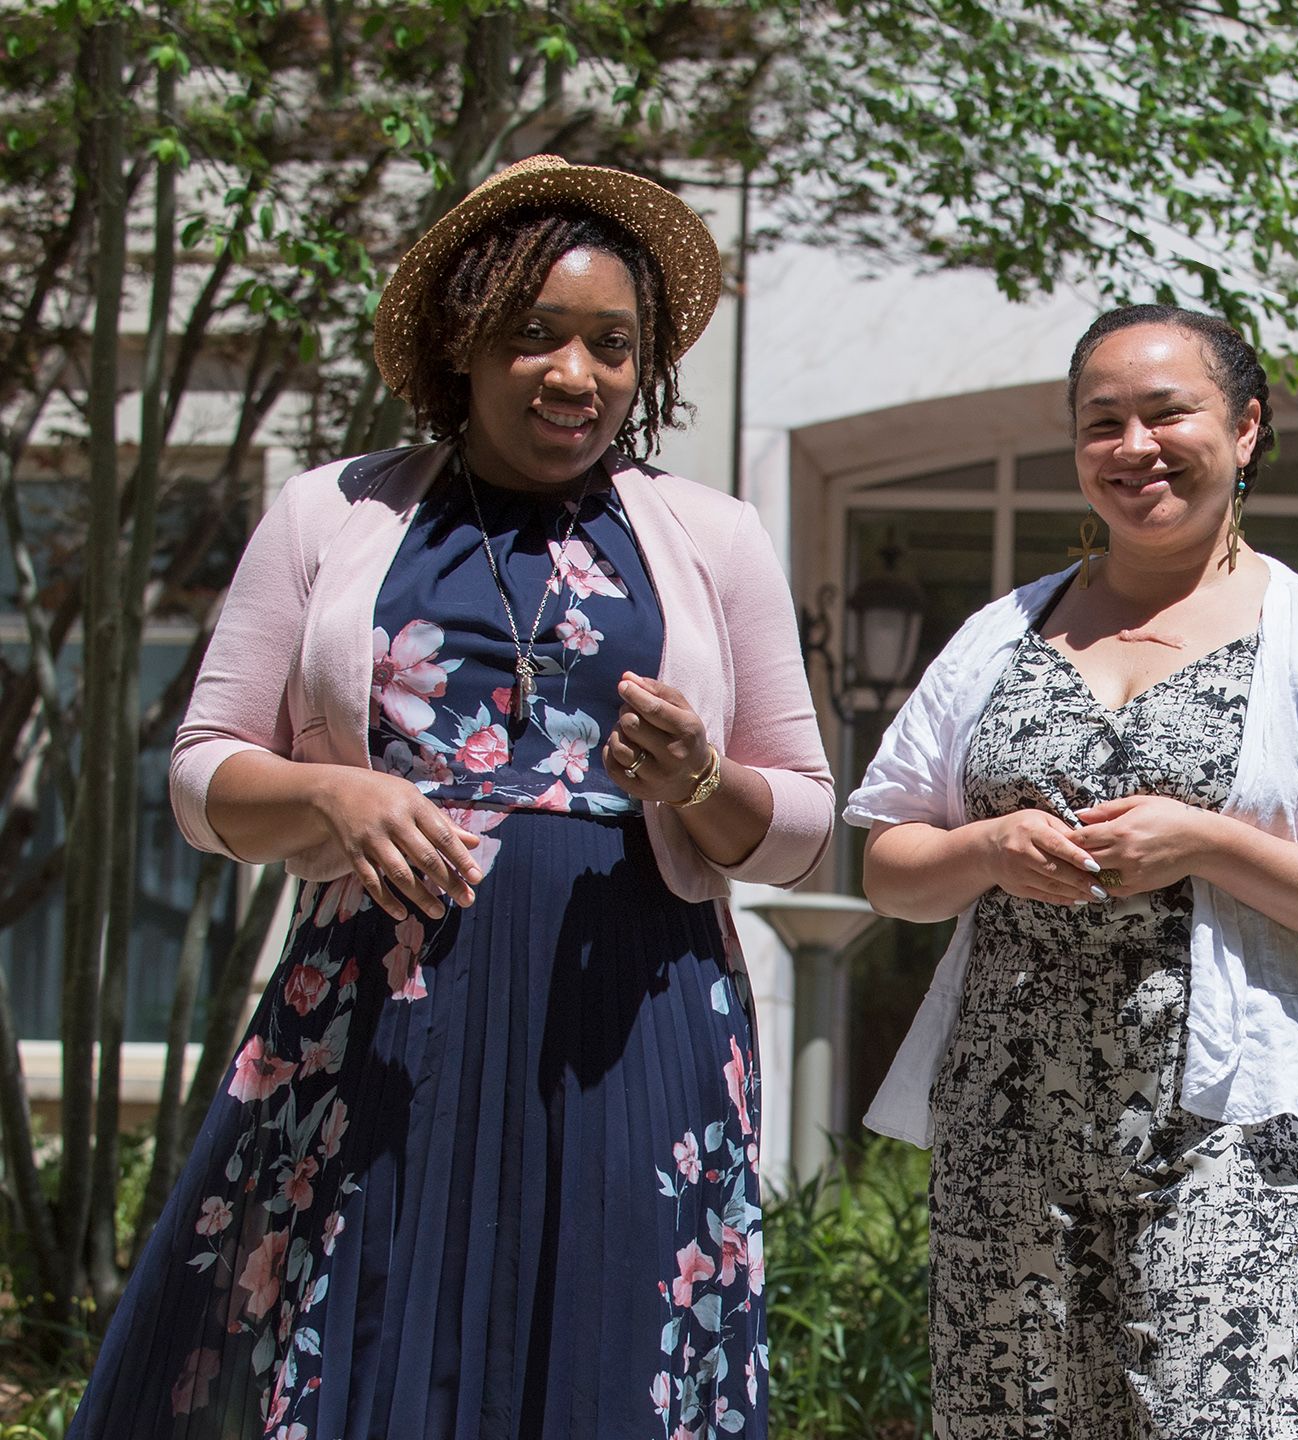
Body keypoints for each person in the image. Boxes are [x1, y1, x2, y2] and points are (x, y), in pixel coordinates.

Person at [71, 156, 832, 1440]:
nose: (575, 374)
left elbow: (805, 826)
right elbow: (204, 775)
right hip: (373, 1016)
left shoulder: (712, 536)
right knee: (365, 1342)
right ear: (463, 342)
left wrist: (701, 780)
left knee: (610, 1356)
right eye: (535, 336)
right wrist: (334, 797)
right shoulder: (334, 512)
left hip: (630, 1015)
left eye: (612, 344)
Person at [846, 304, 1298, 1437]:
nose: (1135, 447)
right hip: (1005, 1116)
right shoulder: (1001, 637)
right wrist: (984, 849)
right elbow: (889, 867)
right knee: (1007, 1418)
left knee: (1209, 1419)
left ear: (1247, 429)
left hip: (1224, 1127)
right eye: (1102, 422)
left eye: (1168, 413)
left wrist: (1205, 840)